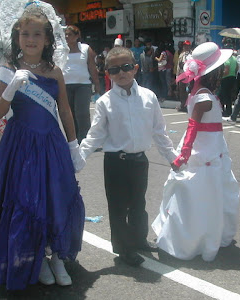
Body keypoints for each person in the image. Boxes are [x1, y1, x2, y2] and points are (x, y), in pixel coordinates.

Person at [0, 4, 85, 290]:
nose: (31, 39)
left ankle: (56, 256)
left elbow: (65, 110)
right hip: (20, 146)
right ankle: (34, 258)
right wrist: (11, 87)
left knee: (54, 197)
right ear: (17, 37)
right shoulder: (7, 69)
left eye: (37, 34)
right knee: (26, 199)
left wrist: (73, 145)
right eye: (25, 34)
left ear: (47, 39)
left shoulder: (55, 71)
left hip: (51, 144)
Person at [79, 47, 178, 267]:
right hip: (116, 162)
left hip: (140, 160)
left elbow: (159, 131)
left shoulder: (148, 97)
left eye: (125, 67)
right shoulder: (105, 102)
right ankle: (123, 249)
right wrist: (79, 158)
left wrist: (172, 157)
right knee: (118, 208)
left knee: (138, 203)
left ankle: (139, 239)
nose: (121, 73)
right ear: (108, 74)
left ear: (135, 68)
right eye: (114, 69)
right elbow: (95, 135)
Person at [153, 42, 240, 262]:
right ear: (212, 73)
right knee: (204, 196)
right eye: (220, 70)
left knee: (213, 193)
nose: (223, 73)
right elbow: (192, 128)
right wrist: (183, 156)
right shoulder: (203, 97)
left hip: (213, 147)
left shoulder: (200, 93)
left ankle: (210, 232)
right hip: (205, 151)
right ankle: (198, 237)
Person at [63, 25, 100, 143]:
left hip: (83, 85)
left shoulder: (85, 48)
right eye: (66, 35)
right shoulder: (60, 49)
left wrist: (97, 84)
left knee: (82, 113)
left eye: (70, 34)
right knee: (70, 114)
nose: (67, 37)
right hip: (65, 85)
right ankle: (74, 139)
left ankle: (85, 139)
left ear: (77, 36)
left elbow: (92, 67)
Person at [218, 42, 237, 117]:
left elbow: (226, 71)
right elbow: (236, 68)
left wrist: (220, 77)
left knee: (223, 95)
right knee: (228, 95)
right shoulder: (234, 59)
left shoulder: (226, 60)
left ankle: (224, 110)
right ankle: (228, 110)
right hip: (232, 77)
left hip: (226, 78)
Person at [176, 40, 192, 111]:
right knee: (182, 91)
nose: (186, 47)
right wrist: (177, 76)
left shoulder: (192, 54)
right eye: (185, 45)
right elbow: (178, 66)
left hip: (189, 75)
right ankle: (183, 105)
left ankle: (188, 105)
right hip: (182, 74)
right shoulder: (181, 54)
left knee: (189, 90)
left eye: (187, 45)